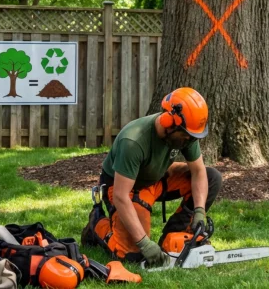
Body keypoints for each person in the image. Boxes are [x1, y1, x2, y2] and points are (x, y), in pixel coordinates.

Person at [82, 88, 223, 267]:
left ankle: (174, 235)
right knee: (133, 255)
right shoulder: (133, 141)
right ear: (168, 122)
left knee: (212, 178)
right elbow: (120, 196)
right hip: (124, 186)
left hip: (156, 177)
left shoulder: (185, 136)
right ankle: (97, 225)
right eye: (186, 135)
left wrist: (199, 212)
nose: (190, 139)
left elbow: (199, 172)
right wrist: (144, 243)